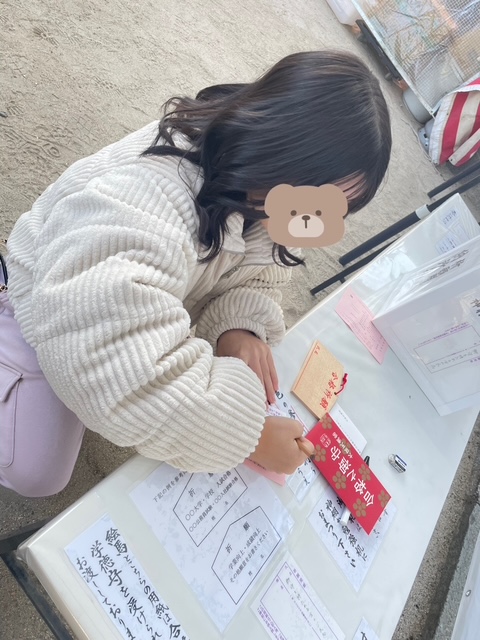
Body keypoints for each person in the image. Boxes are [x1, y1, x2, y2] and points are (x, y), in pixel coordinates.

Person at [1, 50, 392, 497]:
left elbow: (265, 271)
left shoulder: (267, 192)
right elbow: (116, 365)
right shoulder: (153, 194)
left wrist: (239, 325)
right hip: (40, 299)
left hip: (106, 298)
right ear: (276, 145)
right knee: (38, 471)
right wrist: (250, 437)